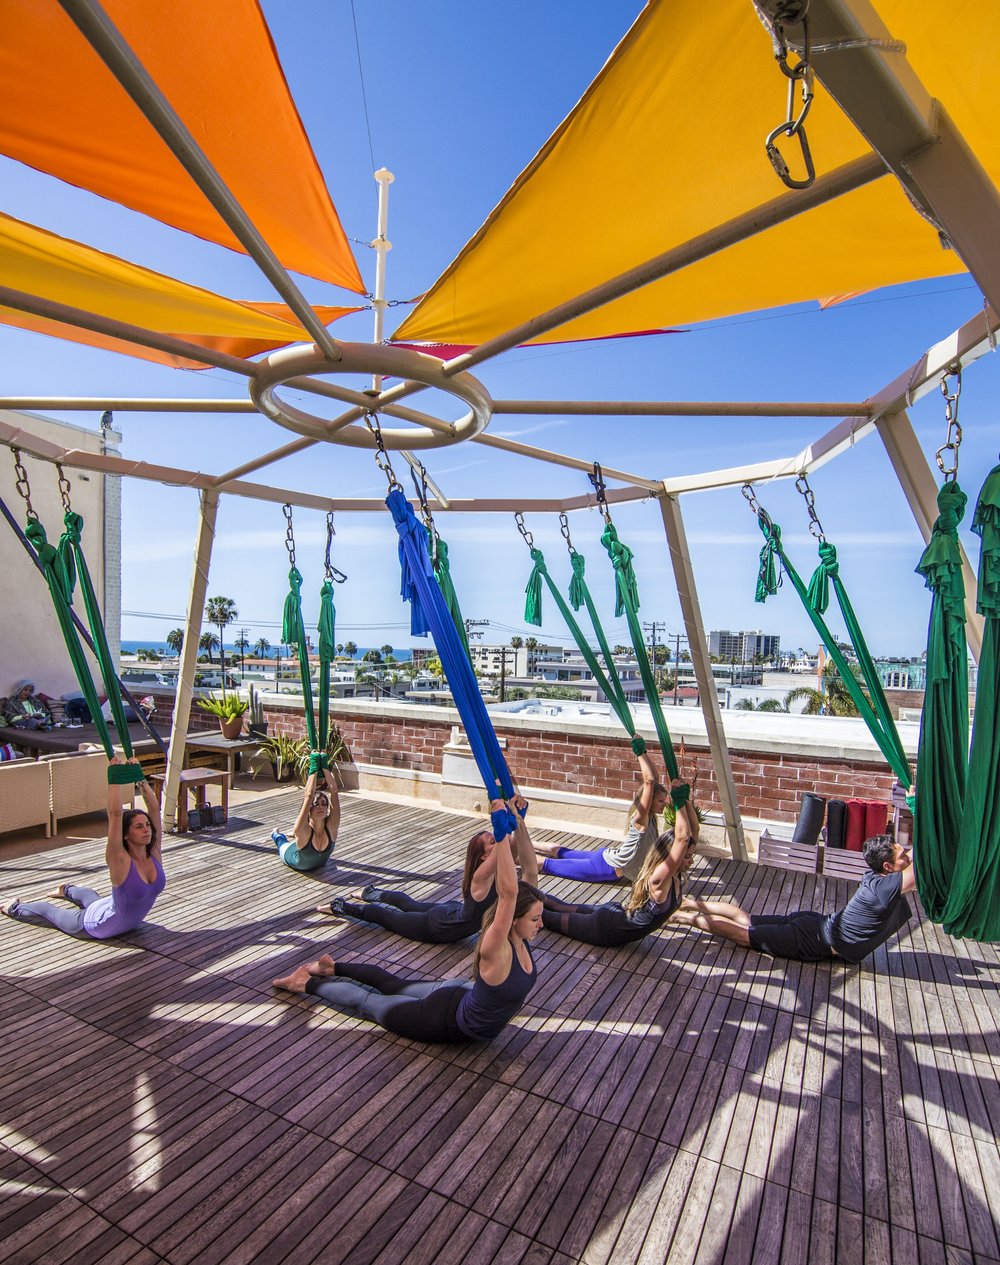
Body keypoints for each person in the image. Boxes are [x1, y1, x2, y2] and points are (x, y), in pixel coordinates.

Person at [273, 799, 543, 1044]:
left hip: (461, 992)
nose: (541, 924)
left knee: (395, 985)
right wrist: (501, 830)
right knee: (369, 1001)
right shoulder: (497, 943)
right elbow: (509, 893)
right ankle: (304, 982)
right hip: (445, 1017)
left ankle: (332, 967)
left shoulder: (519, 938)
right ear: (512, 920)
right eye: (534, 919)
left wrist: (519, 822)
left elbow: (530, 872)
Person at [671, 833, 915, 964]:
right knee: (743, 935)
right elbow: (920, 868)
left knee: (747, 919)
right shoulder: (884, 888)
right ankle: (683, 917)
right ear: (887, 866)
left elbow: (919, 857)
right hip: (814, 940)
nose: (908, 857)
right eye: (903, 856)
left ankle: (688, 903)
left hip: (816, 924)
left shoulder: (878, 877)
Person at [2, 756, 165, 938]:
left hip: (119, 915)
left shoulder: (154, 852)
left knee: (92, 898)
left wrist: (140, 778)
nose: (146, 830)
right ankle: (13, 907)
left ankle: (66, 889)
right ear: (125, 834)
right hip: (96, 926)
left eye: (147, 825)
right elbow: (115, 814)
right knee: (50, 911)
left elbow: (154, 809)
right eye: (139, 827)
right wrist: (114, 779)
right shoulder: (120, 860)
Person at [315, 798, 519, 942]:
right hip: (436, 927)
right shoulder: (481, 877)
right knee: (386, 916)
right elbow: (505, 841)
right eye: (492, 842)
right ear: (483, 856)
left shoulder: (495, 870)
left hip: (451, 911)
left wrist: (516, 817)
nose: (497, 842)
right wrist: (503, 819)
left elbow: (511, 845)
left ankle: (370, 893)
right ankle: (340, 907)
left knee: (410, 904)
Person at [538, 778, 699, 946]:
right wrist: (677, 800)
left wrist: (684, 799)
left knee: (559, 907)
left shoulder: (674, 874)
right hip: (605, 928)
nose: (692, 861)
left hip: (616, 913)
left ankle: (528, 894)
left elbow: (693, 832)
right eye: (686, 856)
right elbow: (682, 839)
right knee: (544, 916)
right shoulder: (660, 878)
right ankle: (523, 895)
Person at [532, 747, 668, 883]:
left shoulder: (650, 818)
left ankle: (532, 843)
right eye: (660, 801)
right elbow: (649, 781)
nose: (665, 804)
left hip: (606, 857)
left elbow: (654, 779)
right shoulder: (641, 821)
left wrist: (643, 751)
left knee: (561, 852)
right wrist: (639, 752)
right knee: (543, 864)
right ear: (650, 801)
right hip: (604, 868)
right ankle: (520, 847)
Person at [270, 765, 340, 872]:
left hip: (316, 860)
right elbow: (308, 796)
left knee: (299, 833)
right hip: (293, 856)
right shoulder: (303, 829)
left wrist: (325, 766)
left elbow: (334, 792)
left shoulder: (331, 826)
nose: (321, 807)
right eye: (316, 804)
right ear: (309, 809)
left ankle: (295, 835)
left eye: (324, 804)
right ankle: (275, 834)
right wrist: (314, 769)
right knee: (282, 842)